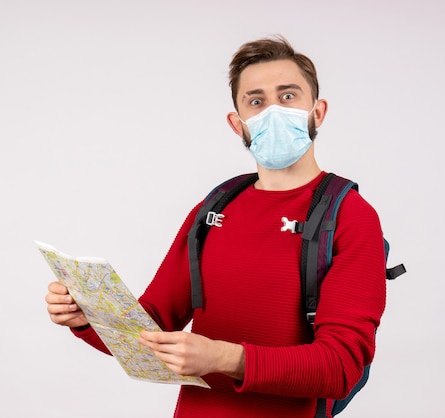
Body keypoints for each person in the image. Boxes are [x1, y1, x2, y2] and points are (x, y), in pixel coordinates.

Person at [45, 35, 386, 418]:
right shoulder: (214, 208)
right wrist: (89, 319)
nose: (272, 110)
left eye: (288, 96)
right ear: (237, 123)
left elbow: (340, 366)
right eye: (255, 101)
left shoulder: (351, 217)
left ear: (317, 112)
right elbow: (151, 330)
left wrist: (224, 357)